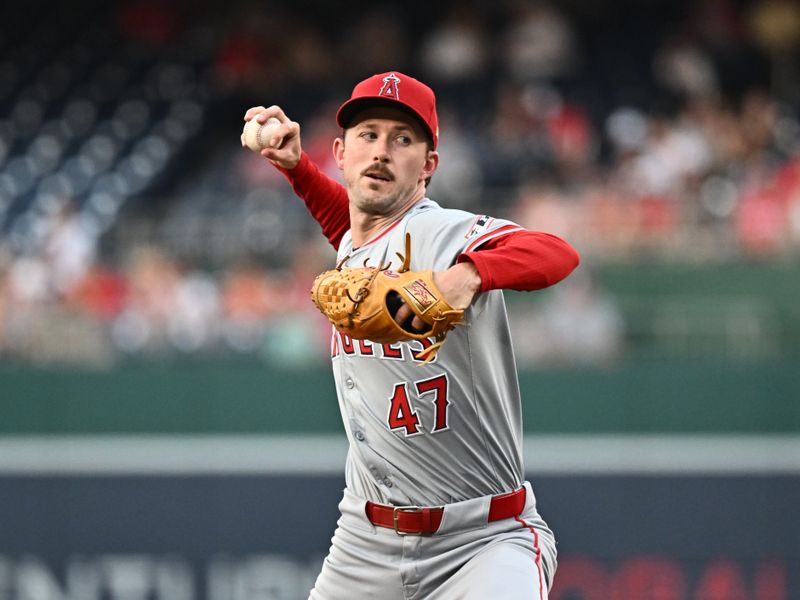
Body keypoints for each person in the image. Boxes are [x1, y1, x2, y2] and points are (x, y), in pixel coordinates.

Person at [243, 71, 580, 600]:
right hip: (364, 540)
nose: (381, 151)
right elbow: (353, 226)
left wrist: (464, 276)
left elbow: (557, 253)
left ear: (428, 166)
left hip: (482, 539)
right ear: (342, 150)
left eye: (402, 139)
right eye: (368, 134)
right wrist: (297, 169)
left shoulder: (441, 233)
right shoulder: (361, 238)